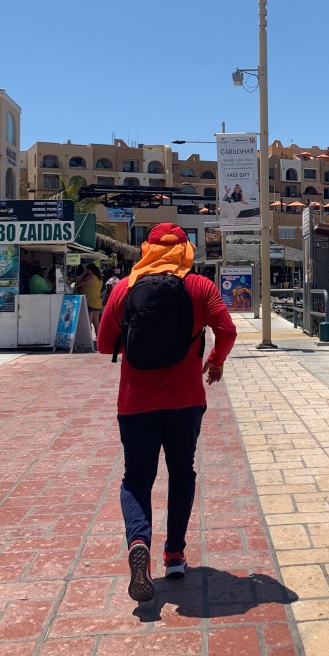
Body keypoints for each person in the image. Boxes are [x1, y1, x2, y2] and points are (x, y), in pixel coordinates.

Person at [97, 223, 237, 601]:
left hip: (135, 401)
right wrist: (215, 361)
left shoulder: (125, 288)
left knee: (136, 479)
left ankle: (138, 541)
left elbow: (103, 345)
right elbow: (227, 331)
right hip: (185, 400)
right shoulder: (200, 286)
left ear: (147, 249)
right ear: (186, 250)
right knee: (181, 472)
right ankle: (174, 553)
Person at [77, 262, 104, 334]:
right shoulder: (99, 278)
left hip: (90, 302)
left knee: (88, 322)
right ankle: (98, 337)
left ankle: (88, 337)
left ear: (89, 269)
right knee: (96, 322)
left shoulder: (89, 277)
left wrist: (83, 274)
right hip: (97, 302)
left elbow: (78, 284)